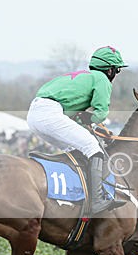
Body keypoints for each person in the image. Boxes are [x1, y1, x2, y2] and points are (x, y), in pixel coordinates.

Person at [26, 45, 127, 215]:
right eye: (117, 70)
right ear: (110, 70)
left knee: (77, 150)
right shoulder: (101, 79)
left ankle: (76, 196)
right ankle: (97, 201)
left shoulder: (83, 77)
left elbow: (77, 117)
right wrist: (92, 119)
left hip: (35, 114)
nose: (116, 75)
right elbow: (101, 113)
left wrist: (87, 121)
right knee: (93, 148)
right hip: (50, 113)